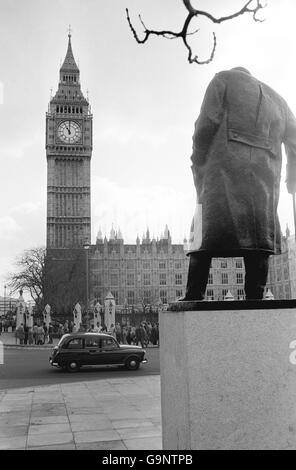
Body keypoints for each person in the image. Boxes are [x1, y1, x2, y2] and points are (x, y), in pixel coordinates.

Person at [182, 66, 296, 301]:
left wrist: (198, 160)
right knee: (259, 240)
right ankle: (255, 296)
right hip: (264, 180)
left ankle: (194, 294)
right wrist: (292, 177)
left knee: (203, 234)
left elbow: (204, 125)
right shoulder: (279, 100)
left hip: (221, 171)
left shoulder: (222, 80)